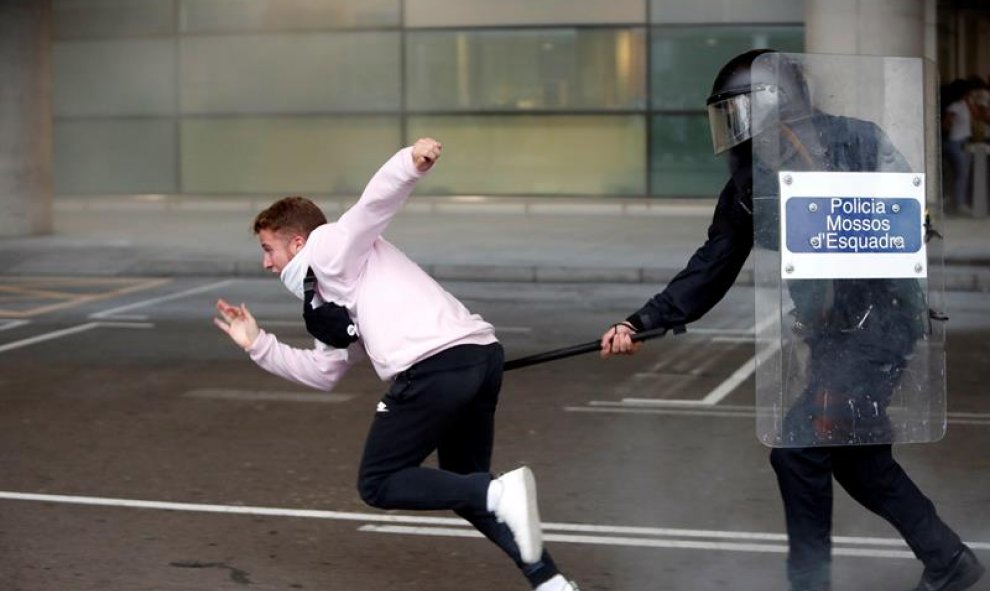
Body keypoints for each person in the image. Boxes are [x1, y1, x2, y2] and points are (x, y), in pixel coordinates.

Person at [599, 49, 985, 591]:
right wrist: (642, 321)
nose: (733, 130)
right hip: (831, 336)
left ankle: (811, 583)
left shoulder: (858, 141)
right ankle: (950, 563)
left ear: (777, 106)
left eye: (739, 112)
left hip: (881, 323)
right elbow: (713, 263)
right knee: (859, 463)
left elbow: (911, 223)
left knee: (798, 453)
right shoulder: (751, 183)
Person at [213, 138, 577, 591]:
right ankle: (550, 582)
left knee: (380, 482)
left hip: (434, 367)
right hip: (477, 359)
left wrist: (411, 161)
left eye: (269, 249)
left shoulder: (328, 250)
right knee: (466, 487)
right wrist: (257, 343)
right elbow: (325, 371)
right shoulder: (326, 296)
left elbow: (372, 205)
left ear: (297, 241)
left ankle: (496, 492)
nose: (266, 263)